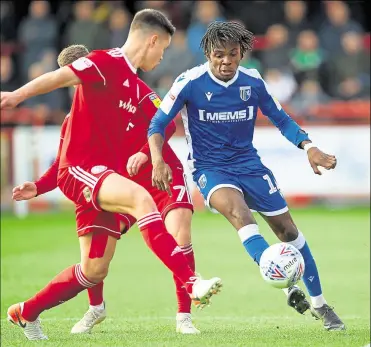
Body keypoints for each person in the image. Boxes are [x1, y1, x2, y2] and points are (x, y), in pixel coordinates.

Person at [2, 10, 222, 341]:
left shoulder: (137, 88)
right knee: (140, 199)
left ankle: (26, 312)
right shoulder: (104, 62)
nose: (163, 57)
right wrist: (17, 96)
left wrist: (144, 152)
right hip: (82, 169)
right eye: (162, 49)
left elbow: (165, 123)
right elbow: (58, 78)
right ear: (152, 40)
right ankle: (192, 283)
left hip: (107, 177)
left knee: (93, 271)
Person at [147, 21, 345, 331]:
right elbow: (157, 124)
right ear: (208, 54)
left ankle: (321, 306)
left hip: (250, 166)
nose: (226, 62)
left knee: (288, 232)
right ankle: (288, 285)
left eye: (233, 55)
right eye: (219, 55)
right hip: (210, 169)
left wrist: (309, 147)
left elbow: (281, 118)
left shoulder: (252, 82)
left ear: (242, 54)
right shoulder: (189, 82)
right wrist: (157, 159)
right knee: (240, 214)